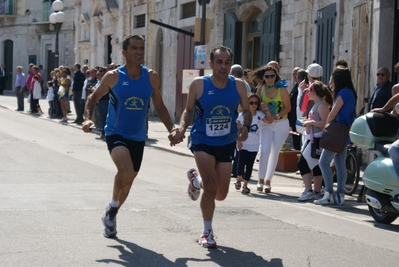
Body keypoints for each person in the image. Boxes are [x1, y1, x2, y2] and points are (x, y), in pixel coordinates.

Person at [82, 35, 176, 239]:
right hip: (116, 132)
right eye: (133, 48)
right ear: (124, 52)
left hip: (139, 135)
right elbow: (93, 98)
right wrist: (87, 119)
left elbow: (159, 105)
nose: (138, 52)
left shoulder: (151, 76)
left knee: (129, 180)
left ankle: (111, 212)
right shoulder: (113, 76)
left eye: (141, 48)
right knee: (124, 171)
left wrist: (171, 128)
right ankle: (113, 208)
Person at [168, 45, 251, 248]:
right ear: (211, 64)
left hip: (227, 142)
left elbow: (247, 110)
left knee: (220, 194)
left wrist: (246, 127)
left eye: (227, 62)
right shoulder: (198, 84)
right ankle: (207, 231)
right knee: (211, 186)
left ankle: (196, 181)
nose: (223, 66)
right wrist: (181, 128)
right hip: (202, 140)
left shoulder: (239, 85)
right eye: (219, 62)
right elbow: (188, 111)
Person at [315, 67, 357, 205]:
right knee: (340, 164)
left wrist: (326, 127)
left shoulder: (343, 92)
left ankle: (328, 192)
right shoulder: (351, 92)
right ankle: (340, 194)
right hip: (345, 131)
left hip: (337, 130)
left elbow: (333, 113)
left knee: (323, 162)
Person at [251, 65, 291, 193]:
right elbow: (255, 105)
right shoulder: (261, 89)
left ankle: (268, 180)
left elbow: (288, 107)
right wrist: (263, 116)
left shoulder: (282, 89)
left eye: (272, 76)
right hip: (266, 123)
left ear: (276, 76)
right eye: (267, 76)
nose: (270, 79)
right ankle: (260, 179)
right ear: (263, 78)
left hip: (281, 122)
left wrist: (276, 116)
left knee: (275, 151)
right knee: (265, 149)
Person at [297, 81, 333, 201]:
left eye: (309, 90)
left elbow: (325, 122)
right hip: (311, 137)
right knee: (314, 164)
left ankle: (310, 190)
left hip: (316, 138)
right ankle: (315, 191)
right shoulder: (316, 104)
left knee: (303, 163)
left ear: (314, 92)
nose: (307, 92)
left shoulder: (321, 105)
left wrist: (311, 122)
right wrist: (307, 120)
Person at [234, 93, 264, 194]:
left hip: (254, 144)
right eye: (251, 103)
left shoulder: (260, 115)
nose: (253, 105)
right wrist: (239, 141)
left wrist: (267, 110)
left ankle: (245, 185)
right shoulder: (242, 115)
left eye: (256, 103)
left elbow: (268, 121)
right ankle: (239, 179)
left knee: (250, 165)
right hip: (244, 143)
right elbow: (238, 128)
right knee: (241, 162)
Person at [288, 67, 301, 150]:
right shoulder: (296, 86)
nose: (294, 76)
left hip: (298, 118)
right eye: (293, 74)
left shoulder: (302, 87)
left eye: (296, 74)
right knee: (295, 139)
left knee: (298, 140)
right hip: (293, 118)